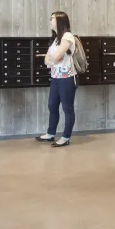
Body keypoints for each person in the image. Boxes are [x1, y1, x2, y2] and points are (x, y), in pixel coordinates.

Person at [37, 11, 77, 148]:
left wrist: (52, 60)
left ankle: (65, 137)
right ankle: (50, 133)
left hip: (67, 78)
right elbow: (46, 59)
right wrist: (52, 60)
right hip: (55, 77)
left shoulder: (67, 36)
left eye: (52, 19)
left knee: (67, 108)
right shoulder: (55, 39)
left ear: (60, 21)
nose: (50, 21)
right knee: (52, 105)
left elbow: (57, 57)